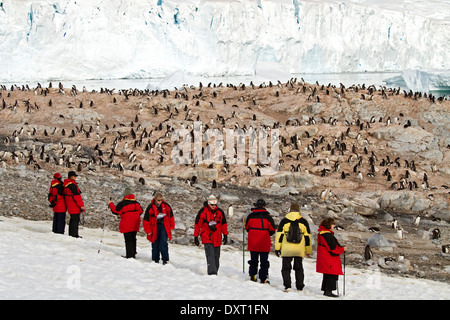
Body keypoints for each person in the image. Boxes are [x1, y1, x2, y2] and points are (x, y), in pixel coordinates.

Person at [275, 202, 312, 292]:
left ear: (290, 210)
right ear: (298, 210)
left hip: (287, 249)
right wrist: (308, 250)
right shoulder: (303, 221)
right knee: (299, 268)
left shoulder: (284, 221)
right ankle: (299, 286)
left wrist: (277, 248)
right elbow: (308, 237)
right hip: (298, 250)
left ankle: (288, 286)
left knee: (286, 268)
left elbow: (279, 236)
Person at [194, 195, 228, 275]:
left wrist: (225, 235)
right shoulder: (202, 211)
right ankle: (212, 274)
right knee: (210, 255)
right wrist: (196, 236)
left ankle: (215, 272)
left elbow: (224, 224)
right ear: (208, 204)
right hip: (207, 236)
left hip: (217, 237)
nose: (213, 206)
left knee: (216, 257)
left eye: (215, 205)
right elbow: (197, 224)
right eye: (212, 205)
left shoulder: (220, 212)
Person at [245, 199, 276, 284]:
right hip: (264, 242)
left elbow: (247, 227)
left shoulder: (250, 216)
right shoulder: (268, 217)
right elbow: (273, 230)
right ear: (264, 206)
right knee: (264, 261)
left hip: (253, 242)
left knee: (253, 260)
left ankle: (252, 275)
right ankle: (263, 278)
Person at [109, 187, 143, 259]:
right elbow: (141, 211)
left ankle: (130, 255)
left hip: (127, 223)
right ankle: (133, 252)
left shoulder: (122, 203)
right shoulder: (136, 203)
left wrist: (110, 204)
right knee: (133, 237)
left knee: (128, 239)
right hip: (136, 223)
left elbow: (115, 211)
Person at [316, 217, 346, 297]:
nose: (334, 225)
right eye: (333, 224)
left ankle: (326, 289)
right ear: (329, 225)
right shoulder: (327, 235)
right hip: (329, 258)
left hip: (324, 257)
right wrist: (342, 249)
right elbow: (334, 249)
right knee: (332, 274)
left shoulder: (321, 233)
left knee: (327, 274)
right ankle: (328, 291)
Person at [143, 193, 175, 264]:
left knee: (163, 243)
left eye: (161, 200)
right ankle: (155, 259)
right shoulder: (150, 207)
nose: (160, 201)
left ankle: (165, 259)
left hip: (164, 226)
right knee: (155, 243)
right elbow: (146, 220)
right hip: (154, 227)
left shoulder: (166, 206)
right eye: (158, 200)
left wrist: (172, 227)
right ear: (155, 199)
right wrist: (148, 230)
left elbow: (171, 217)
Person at [63, 171, 85, 238]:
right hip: (74, 205)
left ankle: (71, 233)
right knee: (75, 220)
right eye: (74, 176)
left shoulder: (66, 184)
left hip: (69, 204)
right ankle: (74, 235)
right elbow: (77, 196)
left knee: (72, 219)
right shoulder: (72, 185)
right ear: (71, 176)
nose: (75, 177)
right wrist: (81, 205)